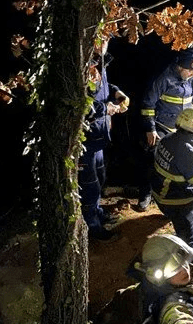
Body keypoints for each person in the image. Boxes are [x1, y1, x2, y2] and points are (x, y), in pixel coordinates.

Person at [79, 39, 130, 241]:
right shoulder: (82, 63)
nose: (103, 43)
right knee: (89, 186)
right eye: (99, 39)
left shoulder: (98, 61)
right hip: (84, 139)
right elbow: (79, 103)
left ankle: (99, 214)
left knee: (99, 179)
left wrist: (117, 93)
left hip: (98, 136)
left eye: (106, 39)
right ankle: (93, 229)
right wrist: (105, 109)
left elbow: (102, 86)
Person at [138, 49, 193, 211]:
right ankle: (146, 194)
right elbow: (147, 105)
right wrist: (150, 129)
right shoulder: (164, 78)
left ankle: (171, 195)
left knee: (179, 163)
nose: (192, 74)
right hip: (161, 128)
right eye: (189, 70)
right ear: (180, 66)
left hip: (181, 131)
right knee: (153, 161)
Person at [150, 108, 193, 250]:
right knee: (190, 240)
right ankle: (183, 263)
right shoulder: (187, 152)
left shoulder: (167, 138)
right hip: (175, 201)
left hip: (158, 192)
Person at [130, 234, 193, 324]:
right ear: (159, 277)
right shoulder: (172, 307)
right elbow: (178, 318)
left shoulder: (155, 286)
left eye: (184, 262)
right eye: (174, 269)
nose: (184, 270)